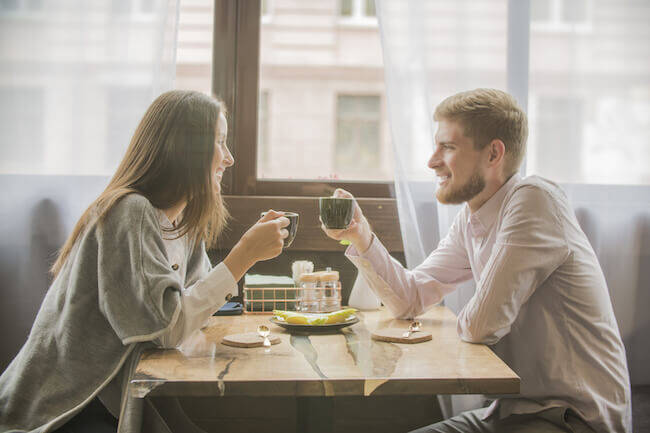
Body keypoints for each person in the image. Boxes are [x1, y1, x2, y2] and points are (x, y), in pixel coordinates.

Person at [321, 89, 631, 433]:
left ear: (494, 153)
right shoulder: (472, 220)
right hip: (508, 414)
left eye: (448, 147)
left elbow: (484, 324)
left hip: (573, 419)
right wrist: (361, 235)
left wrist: (462, 321)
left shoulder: (534, 199)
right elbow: (409, 298)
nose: (432, 160)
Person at [0, 90, 291, 432]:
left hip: (122, 395)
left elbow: (196, 309)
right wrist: (244, 255)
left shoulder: (182, 224)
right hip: (68, 407)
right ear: (187, 151)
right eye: (220, 142)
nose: (228, 158)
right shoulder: (129, 212)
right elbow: (167, 328)